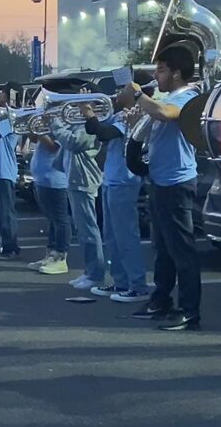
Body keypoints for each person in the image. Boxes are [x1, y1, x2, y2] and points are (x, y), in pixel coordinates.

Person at [128, 43, 202, 331]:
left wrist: (137, 95)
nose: (156, 76)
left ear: (176, 72)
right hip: (160, 180)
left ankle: (189, 310)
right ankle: (161, 299)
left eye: (160, 70)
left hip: (177, 182)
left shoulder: (188, 97)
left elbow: (164, 114)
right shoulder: (168, 95)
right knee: (163, 249)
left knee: (182, 250)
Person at [81, 84, 151, 303]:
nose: (117, 93)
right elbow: (94, 130)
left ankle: (137, 285)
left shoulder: (135, 115)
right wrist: (88, 114)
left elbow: (105, 132)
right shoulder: (119, 114)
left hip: (124, 180)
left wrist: (89, 112)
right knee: (111, 235)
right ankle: (120, 281)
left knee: (126, 235)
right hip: (111, 178)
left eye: (122, 90)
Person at [55, 104, 105, 291]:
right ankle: (89, 271)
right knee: (83, 231)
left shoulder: (90, 125)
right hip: (75, 179)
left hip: (84, 180)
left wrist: (55, 125)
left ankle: (95, 274)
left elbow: (74, 143)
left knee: (89, 230)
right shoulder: (78, 122)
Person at [26, 114, 73, 277]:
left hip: (55, 179)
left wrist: (39, 132)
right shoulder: (50, 122)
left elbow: (54, 146)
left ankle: (61, 256)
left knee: (60, 219)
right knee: (52, 219)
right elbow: (33, 139)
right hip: (42, 178)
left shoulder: (64, 122)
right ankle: (51, 254)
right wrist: (31, 127)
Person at [0, 88, 22, 260]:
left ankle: (11, 247)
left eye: (1, 92)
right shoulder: (3, 116)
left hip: (4, 170)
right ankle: (6, 244)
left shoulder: (12, 118)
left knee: (6, 211)